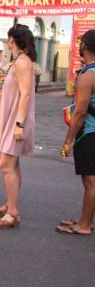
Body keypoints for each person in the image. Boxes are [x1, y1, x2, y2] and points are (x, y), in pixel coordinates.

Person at [0, 24, 37, 229]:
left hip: (17, 119)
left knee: (5, 165)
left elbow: (26, 94)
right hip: (12, 118)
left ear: (12, 40)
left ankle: (13, 213)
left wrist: (19, 124)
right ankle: (11, 204)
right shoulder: (18, 61)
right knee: (13, 164)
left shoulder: (22, 62)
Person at [57, 29, 95, 236]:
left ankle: (84, 225)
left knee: (90, 182)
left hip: (89, 134)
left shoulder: (88, 76)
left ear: (85, 47)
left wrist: (67, 142)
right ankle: (85, 220)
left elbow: (79, 114)